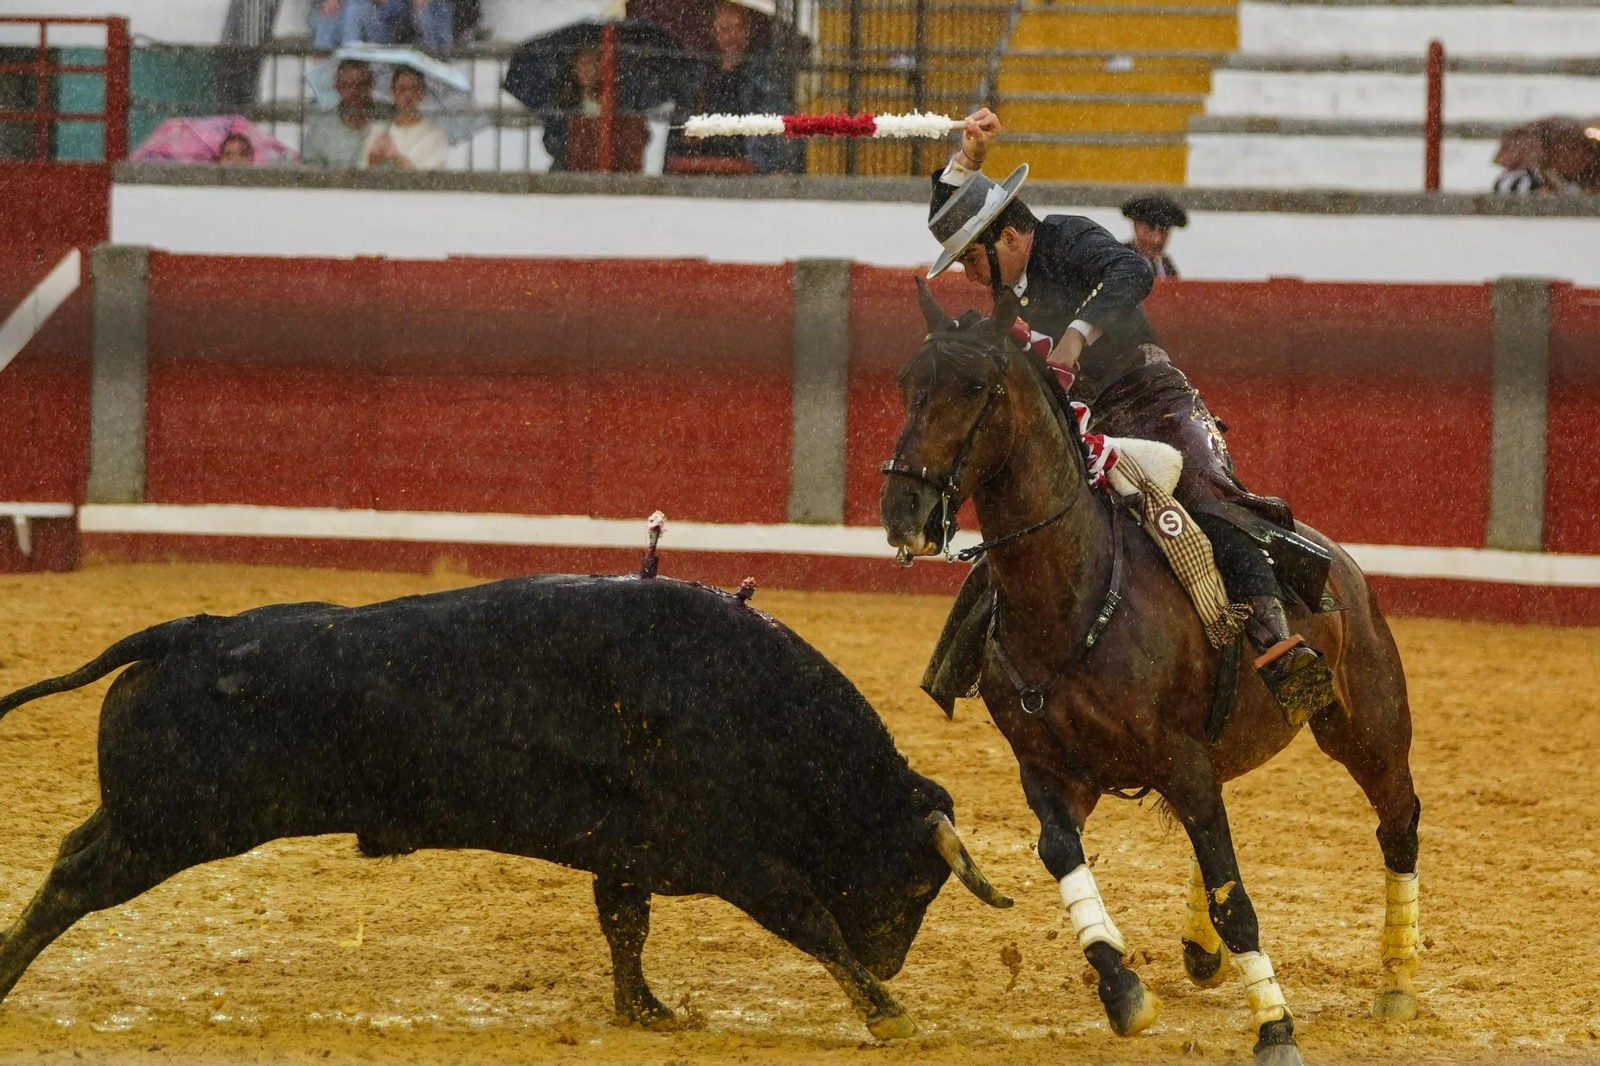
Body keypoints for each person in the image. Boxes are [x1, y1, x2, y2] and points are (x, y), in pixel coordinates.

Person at [925, 108, 1335, 724]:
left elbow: (1132, 270)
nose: (966, 274)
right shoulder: (1007, 276)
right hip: (1083, 413)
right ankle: (964, 656)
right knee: (1033, 518)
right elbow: (945, 217)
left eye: (971, 261)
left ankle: (1277, 645)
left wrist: (1077, 336)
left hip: (1152, 398)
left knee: (1206, 498)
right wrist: (968, 160)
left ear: (1007, 236)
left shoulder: (1066, 237)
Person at [665, 1, 797, 175]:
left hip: (749, 166)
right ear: (714, 32)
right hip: (703, 165)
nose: (731, 37)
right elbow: (680, 124)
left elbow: (772, 128)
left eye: (738, 28)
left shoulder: (765, 71)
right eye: (724, 29)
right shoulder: (701, 71)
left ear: (749, 31)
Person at [363, 66, 449, 170]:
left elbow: (429, 178)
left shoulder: (435, 134)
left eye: (413, 88)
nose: (407, 94)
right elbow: (363, 168)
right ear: (393, 92)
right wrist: (373, 159)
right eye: (402, 89)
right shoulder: (379, 130)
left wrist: (395, 158)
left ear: (422, 93)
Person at [302, 58, 379, 169]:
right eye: (347, 85)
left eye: (360, 85)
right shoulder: (321, 125)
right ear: (337, 87)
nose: (354, 91)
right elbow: (312, 169)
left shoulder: (386, 119)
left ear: (370, 86)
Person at [310, 0, 455, 55]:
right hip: (364, 12)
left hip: (402, 16)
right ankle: (341, 67)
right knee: (334, 12)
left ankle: (351, 61)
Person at [1121, 193, 1186, 278]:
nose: (1157, 239)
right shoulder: (1120, 259)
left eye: (1163, 230)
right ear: (1136, 227)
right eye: (1149, 229)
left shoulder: (1167, 266)